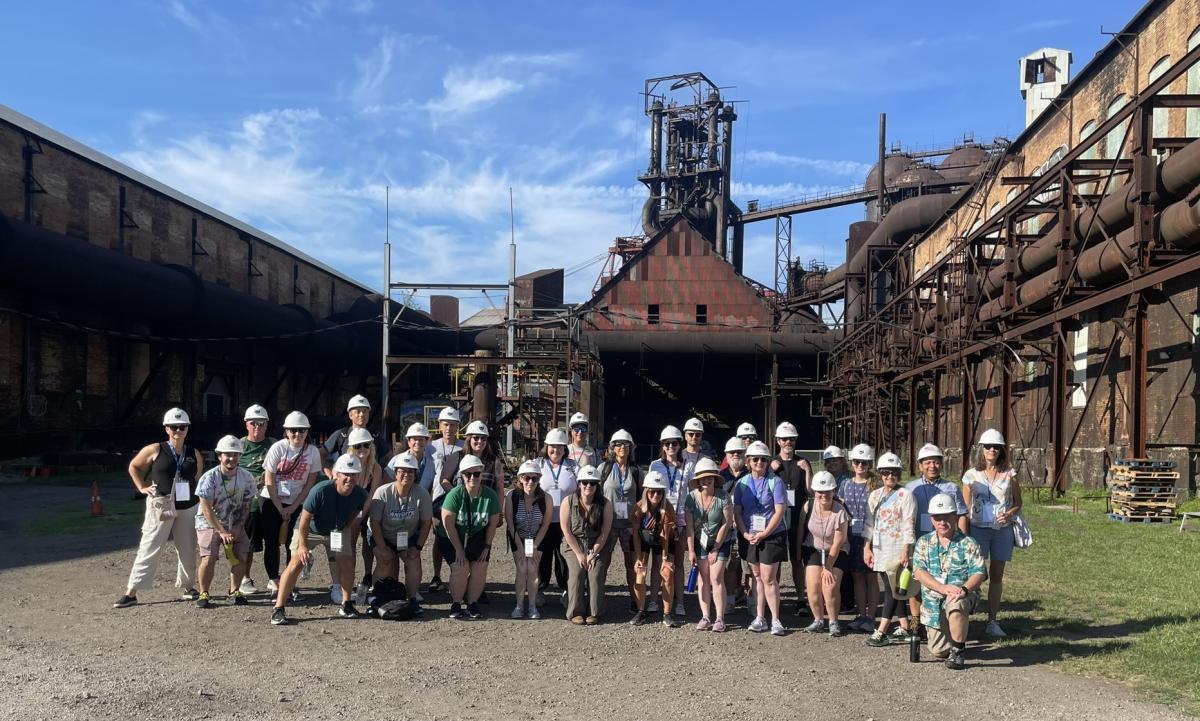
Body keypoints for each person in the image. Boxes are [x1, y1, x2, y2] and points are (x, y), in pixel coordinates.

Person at [113, 408, 205, 608]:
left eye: (182, 427)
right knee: (150, 546)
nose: (178, 430)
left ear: (187, 429)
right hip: (160, 504)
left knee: (188, 548)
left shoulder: (194, 453)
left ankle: (188, 587)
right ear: (166, 428)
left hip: (188, 506)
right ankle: (132, 592)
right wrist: (142, 487)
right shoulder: (156, 449)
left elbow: (197, 478)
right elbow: (134, 466)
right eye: (174, 427)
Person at [270, 453, 369, 625]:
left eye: (353, 474)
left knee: (347, 562)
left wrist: (344, 527)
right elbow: (304, 520)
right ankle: (279, 608)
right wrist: (303, 546)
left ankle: (346, 604)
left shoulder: (360, 494)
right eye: (345, 473)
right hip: (310, 529)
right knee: (296, 563)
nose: (349, 478)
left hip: (337, 529)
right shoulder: (321, 490)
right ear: (336, 474)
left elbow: (355, 513)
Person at [911, 493, 987, 670]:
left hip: (961, 594)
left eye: (946, 517)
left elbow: (979, 572)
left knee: (956, 603)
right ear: (931, 519)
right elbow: (919, 571)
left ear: (954, 517)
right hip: (933, 601)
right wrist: (941, 588)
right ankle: (956, 634)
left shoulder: (969, 543)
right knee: (938, 651)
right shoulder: (923, 542)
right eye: (938, 518)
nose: (942, 522)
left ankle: (958, 652)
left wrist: (964, 590)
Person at [961, 428, 1022, 638]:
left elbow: (1018, 502)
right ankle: (964, 612)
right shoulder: (971, 476)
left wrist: (1010, 513)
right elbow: (964, 508)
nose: (992, 450)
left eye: (996, 447)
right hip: (977, 529)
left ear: (1001, 450)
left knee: (997, 575)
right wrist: (964, 535)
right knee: (975, 574)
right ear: (981, 449)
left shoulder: (1010, 474)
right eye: (988, 446)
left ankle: (992, 621)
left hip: (1001, 530)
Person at [260, 411, 322, 600]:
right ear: (286, 431)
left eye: (302, 431)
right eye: (293, 430)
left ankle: (290, 581)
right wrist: (280, 507)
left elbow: (310, 482)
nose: (297, 435)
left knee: (293, 544)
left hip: (297, 501)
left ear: (307, 431)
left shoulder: (312, 452)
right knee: (271, 542)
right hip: (272, 500)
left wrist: (294, 507)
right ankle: (274, 580)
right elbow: (269, 479)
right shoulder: (278, 448)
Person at [905, 443, 968, 626]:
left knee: (944, 579)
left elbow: (962, 514)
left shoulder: (951, 487)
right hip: (919, 541)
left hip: (946, 541)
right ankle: (917, 621)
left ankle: (943, 619)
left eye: (936, 462)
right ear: (920, 465)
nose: (932, 466)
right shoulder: (910, 488)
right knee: (917, 580)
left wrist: (963, 540)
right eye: (927, 462)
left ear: (941, 463)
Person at [733, 440, 789, 636]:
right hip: (750, 535)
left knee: (769, 578)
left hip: (772, 535)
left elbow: (779, 511)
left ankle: (775, 619)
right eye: (755, 459)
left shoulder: (776, 482)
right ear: (748, 461)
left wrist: (765, 533)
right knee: (756, 577)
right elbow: (737, 511)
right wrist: (745, 533)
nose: (759, 463)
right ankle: (759, 617)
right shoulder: (742, 483)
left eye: (763, 460)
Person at [194, 435, 256, 608]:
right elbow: (206, 509)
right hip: (209, 522)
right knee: (209, 557)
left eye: (235, 454)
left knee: (241, 556)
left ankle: (234, 590)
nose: (231, 458)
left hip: (235, 522)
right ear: (219, 456)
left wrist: (238, 527)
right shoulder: (209, 478)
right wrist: (221, 531)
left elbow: (246, 505)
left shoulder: (247, 477)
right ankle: (204, 593)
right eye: (227, 454)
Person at [862, 452, 918, 647]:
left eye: (894, 472)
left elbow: (908, 523)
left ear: (899, 473)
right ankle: (904, 626)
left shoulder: (906, 495)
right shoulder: (874, 495)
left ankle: (882, 630)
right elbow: (869, 524)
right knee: (891, 588)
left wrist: (905, 550)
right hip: (879, 548)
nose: (890, 476)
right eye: (885, 472)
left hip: (897, 549)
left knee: (893, 591)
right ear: (880, 474)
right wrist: (866, 547)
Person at [438, 454, 502, 619]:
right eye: (468, 474)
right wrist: (459, 550)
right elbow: (448, 524)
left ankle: (472, 603)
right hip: (451, 537)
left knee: (480, 566)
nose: (472, 477)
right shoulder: (455, 495)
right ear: (462, 476)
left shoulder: (490, 495)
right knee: (461, 567)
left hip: (476, 536)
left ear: (481, 474)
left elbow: (492, 524)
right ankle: (456, 602)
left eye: (476, 474)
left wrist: (487, 547)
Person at [368, 450, 432, 612]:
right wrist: (382, 547)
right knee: (385, 560)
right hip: (382, 533)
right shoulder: (383, 492)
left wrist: (417, 547)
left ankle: (412, 598)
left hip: (407, 535)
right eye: (402, 471)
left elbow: (426, 523)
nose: (406, 474)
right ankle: (377, 597)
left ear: (415, 474)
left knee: (413, 560)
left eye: (410, 471)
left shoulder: (421, 494)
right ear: (396, 473)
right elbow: (375, 523)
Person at [686, 458, 734, 632]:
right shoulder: (691, 498)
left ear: (715, 479)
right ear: (698, 480)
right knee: (702, 578)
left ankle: (720, 618)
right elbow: (690, 527)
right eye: (703, 477)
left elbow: (726, 523)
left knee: (716, 577)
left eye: (710, 477)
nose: (706, 480)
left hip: (721, 542)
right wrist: (691, 550)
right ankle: (706, 616)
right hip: (700, 542)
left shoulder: (723, 497)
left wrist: (716, 547)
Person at [798, 471, 850, 636]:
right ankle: (818, 620)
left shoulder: (840, 512)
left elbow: (837, 543)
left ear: (834, 491)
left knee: (830, 585)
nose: (823, 495)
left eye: (828, 491)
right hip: (814, 547)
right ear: (814, 492)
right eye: (820, 491)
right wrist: (798, 551)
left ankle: (834, 621)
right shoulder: (809, 506)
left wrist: (828, 566)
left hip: (836, 550)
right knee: (812, 586)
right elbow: (801, 529)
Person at [596, 429, 642, 613]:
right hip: (608, 524)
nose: (622, 448)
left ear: (631, 448)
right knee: (603, 562)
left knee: (631, 564)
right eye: (618, 444)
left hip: (629, 526)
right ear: (612, 448)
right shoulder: (603, 469)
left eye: (626, 444)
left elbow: (642, 498)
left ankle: (635, 599)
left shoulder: (637, 472)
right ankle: (597, 598)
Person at [771, 420, 812, 614]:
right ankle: (775, 598)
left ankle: (801, 599)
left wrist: (808, 471)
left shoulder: (802, 463)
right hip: (777, 518)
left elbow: (810, 491)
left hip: (797, 518)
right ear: (778, 441)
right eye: (784, 439)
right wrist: (770, 469)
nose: (788, 442)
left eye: (791, 439)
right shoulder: (771, 463)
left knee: (797, 559)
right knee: (776, 559)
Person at [649, 425, 689, 618]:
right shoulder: (655, 465)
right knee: (658, 562)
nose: (671, 446)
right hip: (660, 520)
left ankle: (680, 602)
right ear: (663, 446)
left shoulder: (687, 466)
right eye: (667, 443)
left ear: (679, 445)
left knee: (678, 563)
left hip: (680, 521)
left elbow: (690, 495)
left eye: (674, 443)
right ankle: (654, 600)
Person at [506, 460, 553, 619]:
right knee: (521, 567)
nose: (530, 482)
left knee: (532, 568)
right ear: (520, 478)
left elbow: (545, 526)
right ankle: (519, 605)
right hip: (518, 537)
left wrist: (534, 546)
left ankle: (532, 606)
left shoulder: (546, 498)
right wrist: (520, 547)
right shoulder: (511, 497)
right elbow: (510, 524)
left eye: (534, 478)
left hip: (536, 538)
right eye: (527, 478)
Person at [630, 470, 677, 626]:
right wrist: (638, 558)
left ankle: (667, 613)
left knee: (667, 574)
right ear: (646, 491)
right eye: (652, 491)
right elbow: (636, 534)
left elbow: (666, 535)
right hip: (643, 540)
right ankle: (641, 610)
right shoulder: (638, 508)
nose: (655, 495)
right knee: (640, 573)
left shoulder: (668, 509)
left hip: (664, 541)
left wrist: (664, 559)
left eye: (659, 491)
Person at [237, 404, 275, 595]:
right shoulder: (239, 446)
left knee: (272, 540)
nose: (257, 427)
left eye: (261, 423)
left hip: (271, 499)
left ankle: (273, 578)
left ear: (267, 425)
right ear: (247, 424)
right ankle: (245, 577)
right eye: (253, 423)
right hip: (248, 501)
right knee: (248, 542)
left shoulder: (275, 445)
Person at [840, 443, 878, 632]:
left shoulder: (876, 485)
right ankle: (861, 614)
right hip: (852, 538)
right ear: (852, 463)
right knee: (857, 578)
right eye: (857, 462)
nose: (860, 465)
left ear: (869, 463)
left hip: (870, 538)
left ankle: (871, 617)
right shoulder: (845, 484)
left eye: (864, 462)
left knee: (871, 577)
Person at [537, 428, 578, 605]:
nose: (556, 450)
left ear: (565, 448)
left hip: (566, 522)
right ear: (546, 447)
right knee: (542, 556)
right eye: (552, 447)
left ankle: (565, 589)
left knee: (564, 557)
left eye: (560, 447)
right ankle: (539, 588)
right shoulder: (537, 464)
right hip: (542, 521)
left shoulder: (574, 466)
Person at [719, 436, 751, 608]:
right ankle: (729, 600)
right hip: (727, 528)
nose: (735, 455)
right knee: (730, 564)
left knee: (750, 566)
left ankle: (752, 601)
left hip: (749, 527)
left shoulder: (752, 476)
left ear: (745, 454)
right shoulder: (720, 478)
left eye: (739, 452)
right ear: (727, 455)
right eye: (732, 453)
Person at [323, 395, 384, 476]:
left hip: (369, 483)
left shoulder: (375, 436)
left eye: (365, 411)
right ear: (350, 415)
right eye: (358, 411)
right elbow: (320, 454)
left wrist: (380, 476)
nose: (362, 414)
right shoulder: (341, 434)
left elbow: (389, 455)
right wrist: (331, 475)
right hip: (346, 482)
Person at [429, 407, 464, 481]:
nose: (448, 428)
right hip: (437, 491)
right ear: (440, 426)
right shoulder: (431, 446)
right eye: (446, 425)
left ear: (457, 427)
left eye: (452, 425)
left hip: (457, 491)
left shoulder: (464, 447)